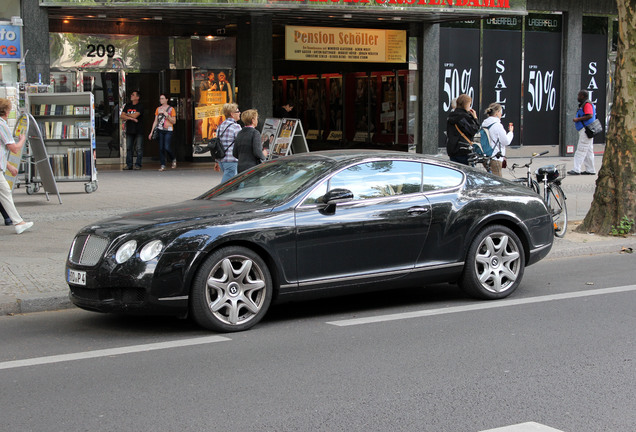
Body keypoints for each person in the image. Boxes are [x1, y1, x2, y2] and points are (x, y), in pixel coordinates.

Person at [0, 97, 33, 234]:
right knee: (6, 193)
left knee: (5, 193)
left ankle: (18, 222)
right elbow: (13, 148)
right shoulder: (2, 124)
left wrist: (9, 166)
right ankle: (18, 222)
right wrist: (22, 140)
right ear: (6, 111)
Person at [480, 102, 514, 177]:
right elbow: (506, 141)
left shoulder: (484, 124)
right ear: (497, 113)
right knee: (498, 183)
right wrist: (511, 132)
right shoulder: (497, 125)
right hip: (495, 157)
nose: (501, 114)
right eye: (500, 112)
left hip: (486, 156)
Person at [446, 93, 480, 165]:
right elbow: (473, 130)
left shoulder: (451, 115)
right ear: (466, 104)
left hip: (452, 149)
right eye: (469, 104)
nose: (470, 106)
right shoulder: (464, 116)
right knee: (469, 172)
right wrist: (475, 118)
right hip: (463, 149)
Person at [569, 90, 597, 175]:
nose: (577, 97)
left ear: (583, 96)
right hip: (587, 129)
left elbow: (590, 115)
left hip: (585, 130)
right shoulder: (586, 104)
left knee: (581, 149)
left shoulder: (587, 104)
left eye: (579, 95)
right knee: (588, 151)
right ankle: (591, 169)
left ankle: (576, 169)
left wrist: (577, 119)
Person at [233, 109, 268, 173]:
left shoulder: (240, 133)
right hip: (252, 167)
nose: (257, 121)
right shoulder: (255, 133)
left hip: (241, 167)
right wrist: (264, 155)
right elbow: (257, 151)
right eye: (256, 118)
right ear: (253, 120)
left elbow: (235, 153)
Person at [149, 94, 177, 172]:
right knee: (161, 148)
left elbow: (174, 121)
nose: (161, 100)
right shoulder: (158, 109)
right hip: (160, 129)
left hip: (168, 129)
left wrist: (167, 115)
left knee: (167, 147)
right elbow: (155, 121)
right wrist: (151, 132)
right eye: (160, 98)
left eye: (162, 98)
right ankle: (163, 165)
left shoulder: (171, 109)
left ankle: (173, 158)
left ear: (166, 99)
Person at [214, 103, 242, 183]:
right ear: (232, 114)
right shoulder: (236, 127)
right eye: (237, 111)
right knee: (226, 185)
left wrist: (216, 161)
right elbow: (240, 143)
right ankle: (217, 195)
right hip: (231, 160)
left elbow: (218, 145)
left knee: (235, 183)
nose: (239, 113)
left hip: (221, 160)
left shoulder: (220, 126)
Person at [120, 90, 144, 170]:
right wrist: (131, 118)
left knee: (139, 148)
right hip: (130, 130)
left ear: (137, 97)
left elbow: (136, 115)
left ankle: (138, 164)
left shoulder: (140, 106)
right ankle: (129, 164)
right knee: (129, 147)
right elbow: (122, 116)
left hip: (139, 130)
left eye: (133, 95)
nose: (131, 96)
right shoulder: (127, 105)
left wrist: (128, 115)